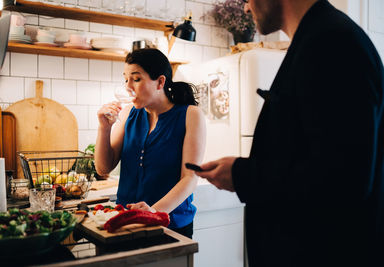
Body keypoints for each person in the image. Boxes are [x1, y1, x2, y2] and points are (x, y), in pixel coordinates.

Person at [196, 0, 384, 266]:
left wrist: (242, 174)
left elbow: (343, 180)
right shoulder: (317, 39)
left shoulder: (332, 43)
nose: (247, 9)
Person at [95, 48, 206, 238]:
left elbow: (189, 178)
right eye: (126, 79)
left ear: (160, 82)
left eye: (136, 79)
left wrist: (152, 212)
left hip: (170, 224)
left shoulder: (190, 115)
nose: (128, 86)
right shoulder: (128, 112)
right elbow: (103, 168)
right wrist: (104, 128)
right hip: (125, 221)